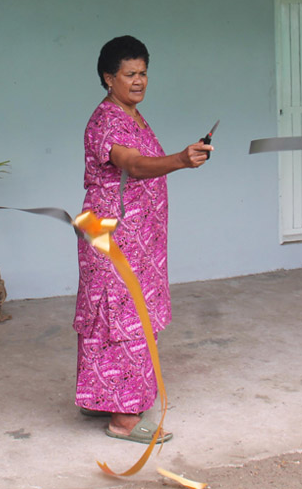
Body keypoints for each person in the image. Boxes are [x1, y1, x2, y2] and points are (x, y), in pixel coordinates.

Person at [74, 35, 212, 443]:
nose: (139, 81)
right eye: (130, 74)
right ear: (108, 77)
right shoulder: (107, 121)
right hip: (112, 232)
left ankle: (99, 396)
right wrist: (180, 161)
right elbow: (132, 165)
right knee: (121, 313)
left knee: (116, 311)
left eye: (144, 73)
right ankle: (124, 420)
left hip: (138, 237)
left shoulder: (132, 114)